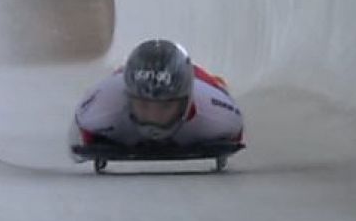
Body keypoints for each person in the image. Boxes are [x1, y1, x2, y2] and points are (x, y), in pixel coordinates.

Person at [70, 39, 244, 157]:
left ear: (185, 102)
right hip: (118, 81)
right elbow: (82, 122)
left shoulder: (220, 116)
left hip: (200, 81)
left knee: (216, 83)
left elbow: (235, 130)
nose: (153, 117)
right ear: (129, 99)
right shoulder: (100, 110)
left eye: (165, 107)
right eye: (145, 106)